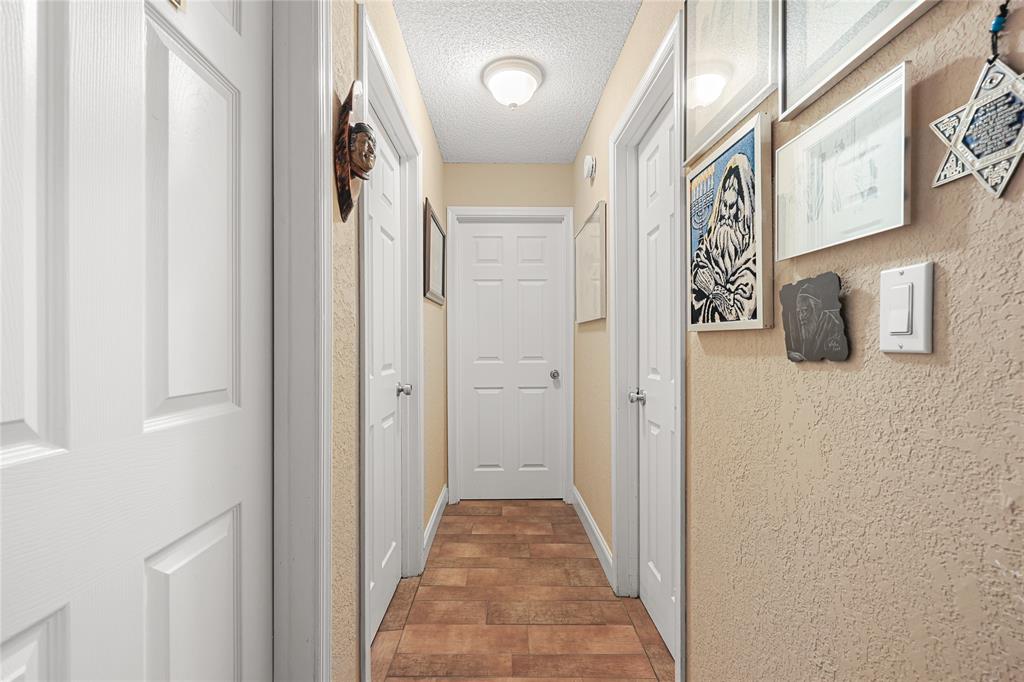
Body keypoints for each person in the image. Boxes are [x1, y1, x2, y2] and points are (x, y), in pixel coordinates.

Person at [691, 152, 758, 323]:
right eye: (724, 206)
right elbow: (696, 271)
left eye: (733, 206)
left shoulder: (752, 257)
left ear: (744, 209)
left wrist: (713, 289)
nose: (727, 214)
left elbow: (738, 312)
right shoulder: (709, 243)